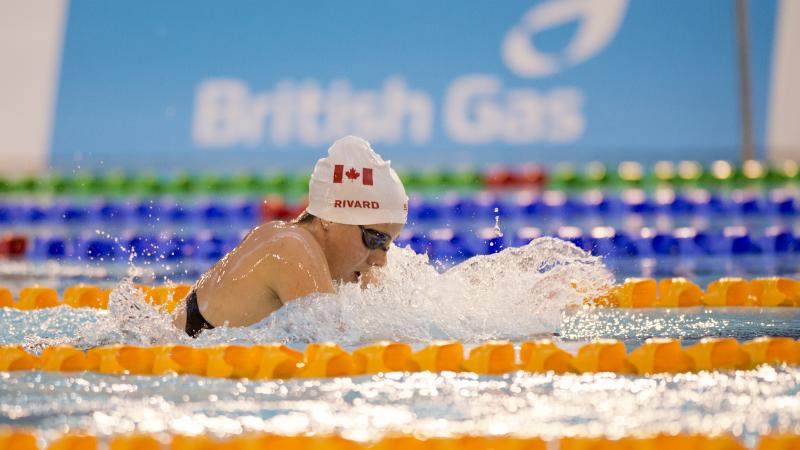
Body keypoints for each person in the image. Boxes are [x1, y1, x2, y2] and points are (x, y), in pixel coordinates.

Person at [173, 136, 408, 337]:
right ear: (329, 218)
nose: (380, 260)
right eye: (374, 239)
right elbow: (337, 347)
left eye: (386, 245)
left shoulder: (341, 264)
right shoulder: (291, 247)